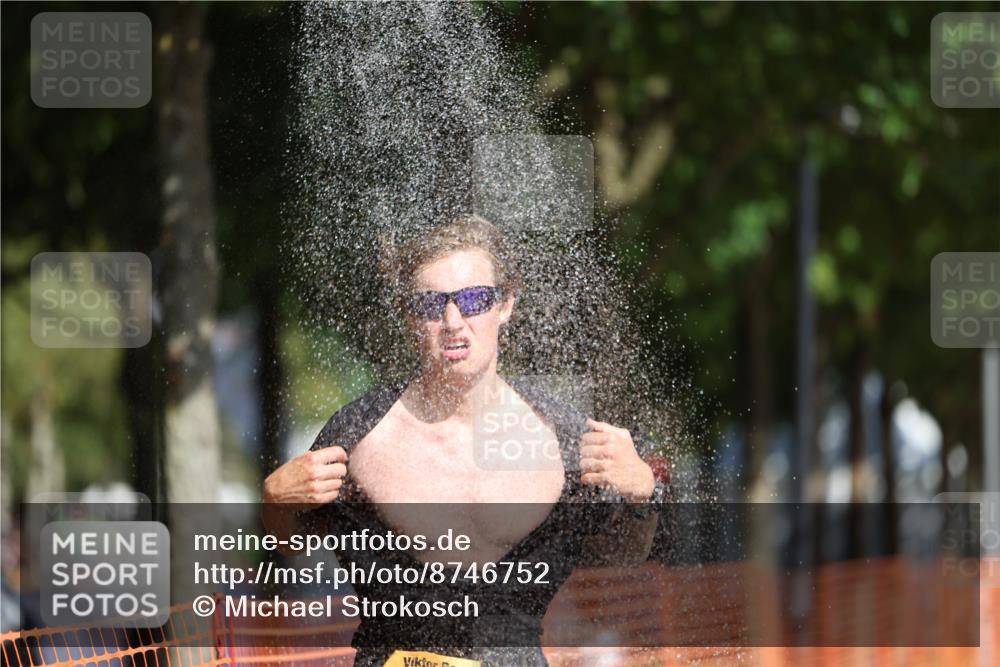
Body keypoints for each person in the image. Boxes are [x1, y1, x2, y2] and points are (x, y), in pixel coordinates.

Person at [263, 214, 664, 666]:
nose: (453, 321)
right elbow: (289, 544)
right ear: (408, 315)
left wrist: (642, 494)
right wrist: (274, 501)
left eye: (474, 299)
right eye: (431, 305)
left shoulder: (565, 439)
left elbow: (622, 556)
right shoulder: (357, 433)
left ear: (506, 304)